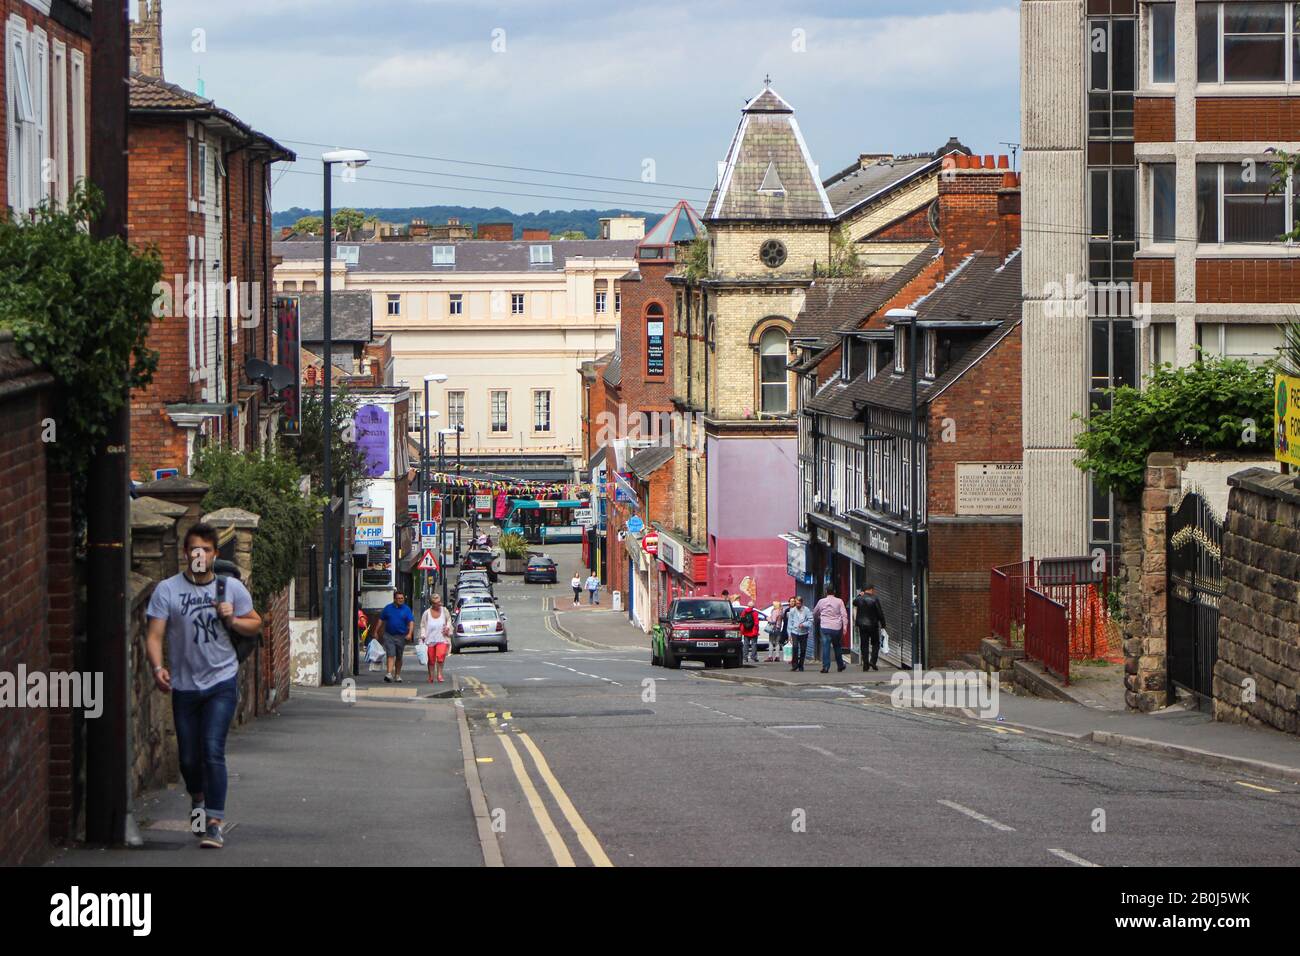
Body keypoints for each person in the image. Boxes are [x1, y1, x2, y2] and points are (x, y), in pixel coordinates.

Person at [145, 522, 263, 850]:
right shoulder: (167, 590)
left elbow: (256, 624)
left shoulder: (230, 589)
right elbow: (154, 635)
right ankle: (197, 801)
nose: (200, 555)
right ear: (186, 554)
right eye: (194, 549)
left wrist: (233, 619)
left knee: (212, 750)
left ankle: (213, 824)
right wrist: (157, 667)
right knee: (188, 760)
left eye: (206, 550)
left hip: (221, 681)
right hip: (184, 685)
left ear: (214, 554)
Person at [375, 590, 415, 683]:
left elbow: (411, 622)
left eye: (402, 598)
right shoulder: (388, 608)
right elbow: (380, 620)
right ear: (394, 599)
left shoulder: (406, 609)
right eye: (398, 598)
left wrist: (409, 634)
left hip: (401, 636)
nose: (400, 600)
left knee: (399, 656)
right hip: (389, 635)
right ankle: (389, 673)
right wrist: (376, 631)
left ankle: (397, 675)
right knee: (390, 654)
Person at [420, 593, 454, 683]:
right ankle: (431, 676)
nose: (439, 604)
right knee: (431, 660)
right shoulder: (426, 613)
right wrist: (423, 635)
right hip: (429, 639)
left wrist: (447, 627)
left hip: (442, 639)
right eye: (436, 603)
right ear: (432, 604)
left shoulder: (444, 611)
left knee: (440, 657)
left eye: (439, 602)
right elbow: (423, 625)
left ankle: (439, 674)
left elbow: (449, 620)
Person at [813, 589, 848, 673]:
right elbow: (844, 614)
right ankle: (840, 665)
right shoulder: (839, 601)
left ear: (826, 592)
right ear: (834, 592)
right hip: (836, 627)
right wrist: (845, 627)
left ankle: (826, 667)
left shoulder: (821, 601)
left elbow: (815, 612)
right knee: (837, 646)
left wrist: (817, 618)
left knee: (826, 646)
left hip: (825, 626)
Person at [853, 584, 886, 671]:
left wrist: (859, 595)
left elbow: (854, 602)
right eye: (873, 590)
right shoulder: (875, 598)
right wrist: (883, 624)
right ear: (871, 590)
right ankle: (873, 661)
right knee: (875, 643)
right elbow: (880, 612)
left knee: (864, 645)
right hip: (873, 625)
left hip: (862, 625)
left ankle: (865, 664)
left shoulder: (859, 599)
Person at [784, 596, 813, 672]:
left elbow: (811, 620)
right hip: (795, 632)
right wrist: (789, 634)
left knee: (803, 650)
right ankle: (795, 665)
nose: (797, 605)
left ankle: (801, 665)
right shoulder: (792, 610)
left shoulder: (806, 610)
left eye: (799, 603)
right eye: (796, 603)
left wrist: (804, 624)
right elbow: (790, 623)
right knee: (795, 647)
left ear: (802, 603)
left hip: (804, 633)